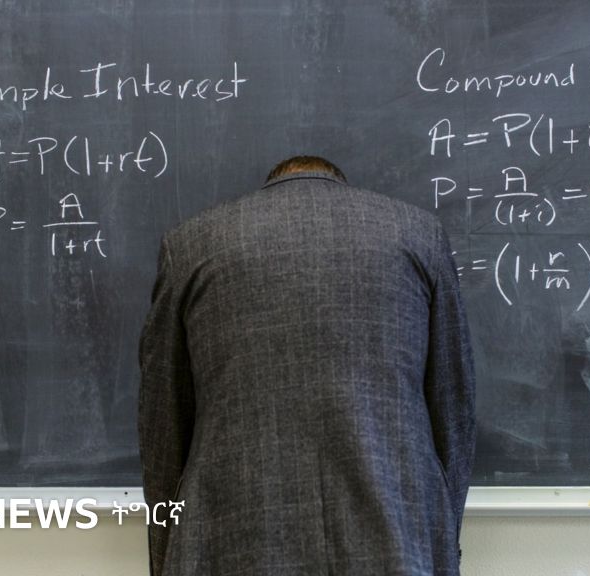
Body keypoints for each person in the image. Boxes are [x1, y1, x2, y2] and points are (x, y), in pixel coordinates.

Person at [138, 156, 476, 575]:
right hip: (395, 538)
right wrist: (441, 542)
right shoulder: (419, 235)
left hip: (228, 539)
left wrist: (166, 557)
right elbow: (453, 410)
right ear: (337, 182)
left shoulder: (191, 245)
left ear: (272, 183)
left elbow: (163, 430)